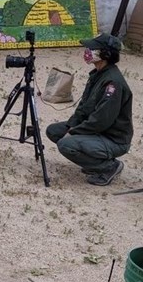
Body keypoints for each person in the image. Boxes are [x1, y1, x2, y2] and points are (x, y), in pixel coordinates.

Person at [46, 33, 133, 186]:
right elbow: (84, 108)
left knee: (66, 144)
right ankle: (94, 162)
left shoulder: (113, 82)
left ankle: (108, 167)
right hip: (98, 131)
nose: (87, 51)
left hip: (113, 138)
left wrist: (73, 132)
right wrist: (71, 125)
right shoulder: (98, 75)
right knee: (54, 131)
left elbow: (101, 120)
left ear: (105, 54)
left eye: (92, 48)